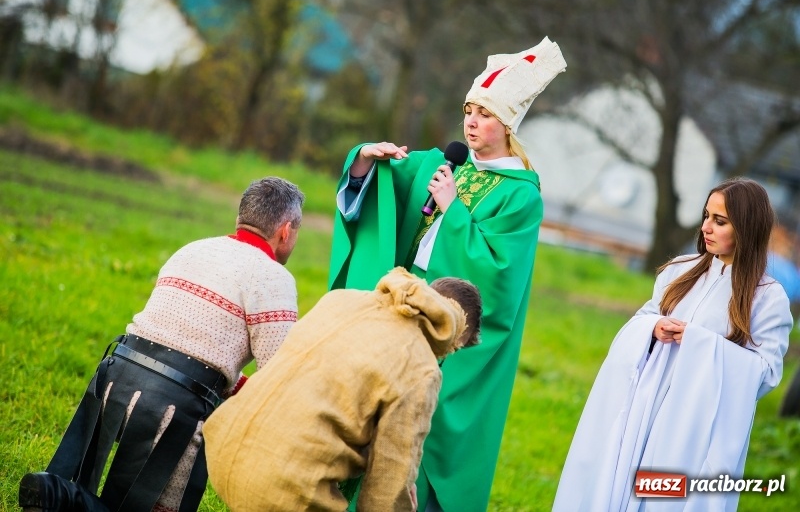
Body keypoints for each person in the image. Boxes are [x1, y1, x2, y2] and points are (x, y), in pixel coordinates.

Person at [329, 37, 567, 511]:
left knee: (424, 436)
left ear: (508, 125)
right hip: (401, 310)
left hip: (450, 330)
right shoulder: (441, 164)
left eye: (485, 113)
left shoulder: (521, 197)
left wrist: (453, 211)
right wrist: (363, 161)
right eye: (468, 109)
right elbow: (377, 192)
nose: (472, 122)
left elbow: (498, 279)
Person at [19, 177, 305, 512]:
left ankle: (65, 495)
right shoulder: (274, 278)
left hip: (113, 382)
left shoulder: (192, 249)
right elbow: (279, 378)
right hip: (176, 408)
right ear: (286, 230)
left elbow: (185, 343)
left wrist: (231, 385)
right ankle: (65, 499)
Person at [553, 177, 793, 511]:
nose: (706, 227)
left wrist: (700, 344)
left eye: (720, 221)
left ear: (747, 228)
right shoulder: (679, 271)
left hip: (697, 423)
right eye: (706, 216)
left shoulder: (767, 298)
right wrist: (653, 327)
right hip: (645, 404)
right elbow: (643, 318)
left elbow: (766, 374)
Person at [202, 267, 482, 512]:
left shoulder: (343, 299)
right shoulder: (421, 366)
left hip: (223, 447)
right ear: (453, 331)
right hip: (283, 487)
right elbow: (389, 481)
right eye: (452, 348)